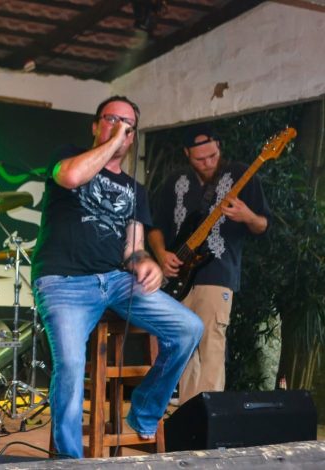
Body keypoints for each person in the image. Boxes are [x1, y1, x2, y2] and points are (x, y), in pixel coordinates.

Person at [31, 95, 203, 459]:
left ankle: (144, 412)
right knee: (71, 365)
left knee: (189, 328)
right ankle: (69, 462)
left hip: (115, 281)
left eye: (128, 125)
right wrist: (112, 143)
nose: (120, 128)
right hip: (63, 282)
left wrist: (145, 262)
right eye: (111, 119)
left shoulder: (136, 190)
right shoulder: (69, 155)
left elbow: (133, 249)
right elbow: (72, 177)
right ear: (95, 126)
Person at [148, 124, 270, 405]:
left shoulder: (241, 174)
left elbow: (264, 225)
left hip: (217, 273)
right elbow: (156, 226)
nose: (208, 163)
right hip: (178, 275)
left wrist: (248, 216)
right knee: (183, 346)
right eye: (200, 159)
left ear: (219, 147)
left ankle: (209, 415)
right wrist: (162, 254)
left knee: (211, 345)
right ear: (187, 154)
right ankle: (188, 412)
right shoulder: (175, 180)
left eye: (213, 156)